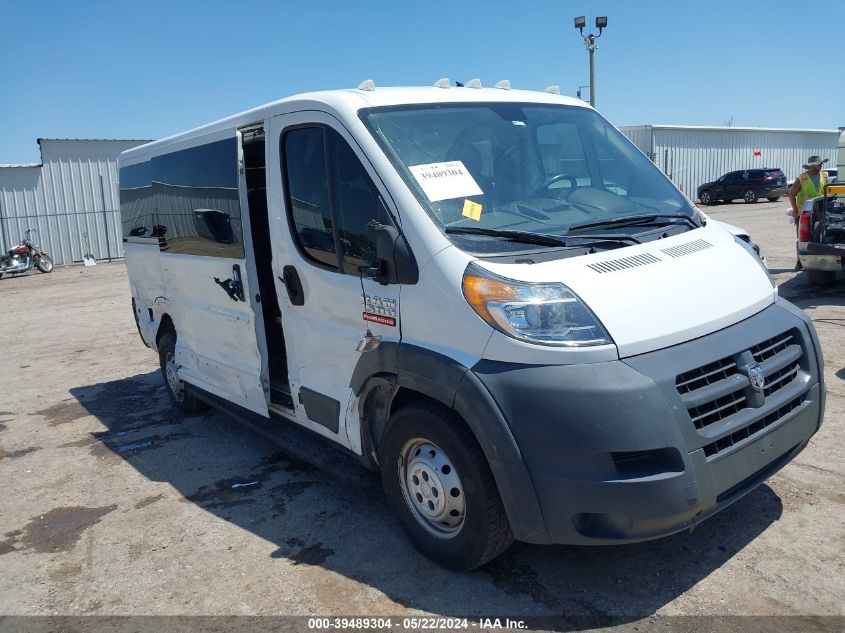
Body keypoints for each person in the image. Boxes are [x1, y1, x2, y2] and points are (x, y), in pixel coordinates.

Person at [788, 155, 829, 269]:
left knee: (819, 234)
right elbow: (792, 194)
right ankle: (799, 261)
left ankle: (817, 258)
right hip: (804, 212)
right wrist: (795, 209)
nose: (821, 166)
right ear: (813, 166)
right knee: (801, 237)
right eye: (819, 164)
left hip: (821, 210)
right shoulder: (802, 178)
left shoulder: (824, 175)